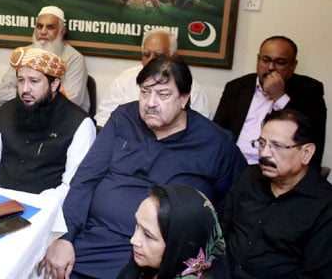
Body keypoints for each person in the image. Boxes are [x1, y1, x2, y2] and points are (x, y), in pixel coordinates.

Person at [37, 55, 245, 279]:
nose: (151, 102)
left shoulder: (215, 142)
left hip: (155, 257)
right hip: (93, 238)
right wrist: (65, 238)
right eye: (145, 92)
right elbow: (85, 179)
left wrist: (197, 258)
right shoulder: (123, 118)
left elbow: (233, 205)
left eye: (163, 94)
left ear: (184, 98)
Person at [221, 109, 332, 278]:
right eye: (262, 143)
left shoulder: (325, 204)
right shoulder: (248, 177)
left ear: (306, 153)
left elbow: (314, 275)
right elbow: (220, 231)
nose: (264, 153)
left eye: (277, 146)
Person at [0, 46, 95, 205]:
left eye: (34, 81)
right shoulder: (4, 113)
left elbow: (71, 186)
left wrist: (33, 206)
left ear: (54, 84)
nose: (25, 89)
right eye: (21, 80)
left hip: (47, 209)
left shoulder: (80, 124)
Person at [213, 35, 327, 169]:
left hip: (278, 170)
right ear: (258, 59)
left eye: (280, 62)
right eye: (265, 60)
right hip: (232, 166)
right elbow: (217, 132)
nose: (271, 67)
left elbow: (309, 138)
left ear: (293, 65)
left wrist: (279, 97)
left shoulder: (310, 90)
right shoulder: (237, 87)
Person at [96, 28, 210, 127]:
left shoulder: (191, 88)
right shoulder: (125, 79)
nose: (151, 59)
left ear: (173, 56)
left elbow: (203, 128)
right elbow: (103, 119)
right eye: (146, 54)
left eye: (158, 55)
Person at [118, 184, 228, 279]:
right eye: (137, 224)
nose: (133, 240)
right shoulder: (143, 268)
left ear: (182, 247)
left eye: (148, 235)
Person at [0, 6, 89, 111]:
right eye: (39, 26)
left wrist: (29, 98)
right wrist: (36, 100)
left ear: (62, 32)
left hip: (61, 120)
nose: (43, 32)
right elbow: (3, 94)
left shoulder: (74, 59)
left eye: (50, 27)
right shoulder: (23, 54)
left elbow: (71, 100)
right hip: (24, 114)